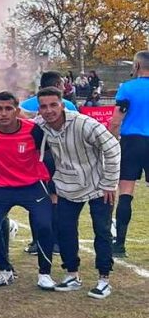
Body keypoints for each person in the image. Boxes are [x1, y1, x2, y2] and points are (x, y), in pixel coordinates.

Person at [36, 87, 121, 299]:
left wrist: (109, 183)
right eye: (44, 106)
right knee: (65, 230)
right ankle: (72, 275)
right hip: (66, 187)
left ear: (62, 105)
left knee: (102, 231)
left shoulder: (84, 123)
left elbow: (112, 147)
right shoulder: (40, 125)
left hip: (98, 186)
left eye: (53, 105)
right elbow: (18, 120)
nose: (49, 110)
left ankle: (104, 280)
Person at [0, 92, 55, 290]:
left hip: (32, 185)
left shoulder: (34, 131)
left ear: (17, 111)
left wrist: (52, 186)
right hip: (1, 187)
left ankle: (44, 273)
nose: (3, 113)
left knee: (44, 225)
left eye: (8, 108)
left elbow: (50, 157)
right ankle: (5, 270)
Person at [110, 50, 149, 258]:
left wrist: (112, 140)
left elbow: (116, 120)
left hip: (132, 142)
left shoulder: (127, 88)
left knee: (126, 191)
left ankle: (120, 245)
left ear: (136, 66)